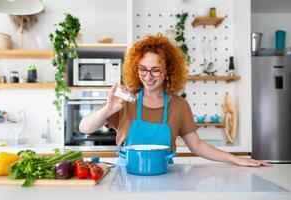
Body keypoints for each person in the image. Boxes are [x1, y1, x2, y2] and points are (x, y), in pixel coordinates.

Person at [79, 33, 271, 167]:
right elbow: (84, 128)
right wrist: (108, 108)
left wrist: (235, 159)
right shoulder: (124, 102)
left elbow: (197, 145)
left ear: (168, 71)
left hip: (165, 177)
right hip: (126, 177)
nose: (148, 76)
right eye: (143, 69)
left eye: (156, 69)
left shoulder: (179, 106)